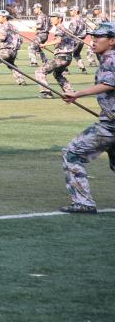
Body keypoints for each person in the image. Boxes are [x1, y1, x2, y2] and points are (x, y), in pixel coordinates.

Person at [58, 22, 115, 213]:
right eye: (93, 37)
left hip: (110, 126)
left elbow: (109, 84)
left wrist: (77, 94)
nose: (93, 41)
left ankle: (84, 202)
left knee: (72, 153)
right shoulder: (106, 57)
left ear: (112, 41)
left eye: (99, 38)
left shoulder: (111, 59)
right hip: (110, 121)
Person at [35, 10, 78, 99]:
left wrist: (45, 44)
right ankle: (70, 91)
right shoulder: (65, 29)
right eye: (51, 17)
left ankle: (46, 92)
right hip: (68, 57)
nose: (51, 19)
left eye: (54, 17)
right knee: (57, 74)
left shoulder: (60, 28)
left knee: (39, 71)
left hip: (61, 58)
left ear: (60, 19)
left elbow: (58, 40)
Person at [0, 10, 27, 86]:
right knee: (11, 65)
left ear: (4, 17)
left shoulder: (3, 26)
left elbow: (2, 37)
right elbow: (20, 39)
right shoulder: (13, 27)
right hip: (14, 51)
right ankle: (21, 80)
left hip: (6, 51)